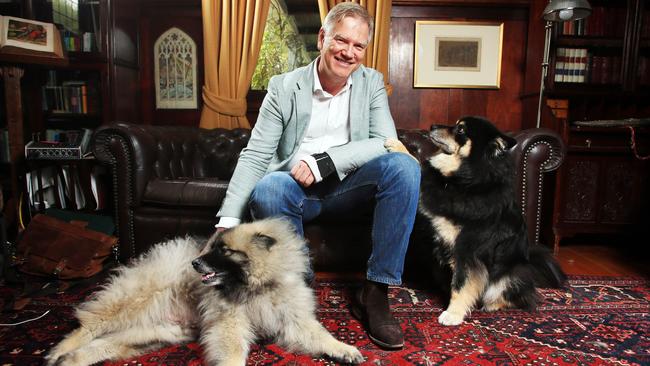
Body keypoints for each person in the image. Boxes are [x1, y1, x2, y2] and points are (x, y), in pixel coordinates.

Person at [215, 2, 420, 349]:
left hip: (351, 190)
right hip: (296, 192)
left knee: (405, 166)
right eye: (341, 41)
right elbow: (256, 154)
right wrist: (228, 217)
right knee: (269, 187)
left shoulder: (370, 83)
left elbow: (388, 143)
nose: (349, 53)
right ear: (323, 38)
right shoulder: (284, 87)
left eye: (359, 46)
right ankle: (299, 288)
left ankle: (376, 291)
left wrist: (326, 161)